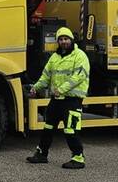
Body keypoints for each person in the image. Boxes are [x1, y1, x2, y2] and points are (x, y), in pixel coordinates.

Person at [26, 26, 90, 169]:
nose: (63, 42)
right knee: (48, 127)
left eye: (66, 39)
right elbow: (46, 76)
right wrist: (35, 88)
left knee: (71, 130)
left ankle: (78, 158)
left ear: (71, 40)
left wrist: (61, 90)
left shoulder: (80, 56)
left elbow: (79, 77)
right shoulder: (54, 58)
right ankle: (41, 154)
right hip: (56, 100)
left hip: (72, 100)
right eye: (60, 39)